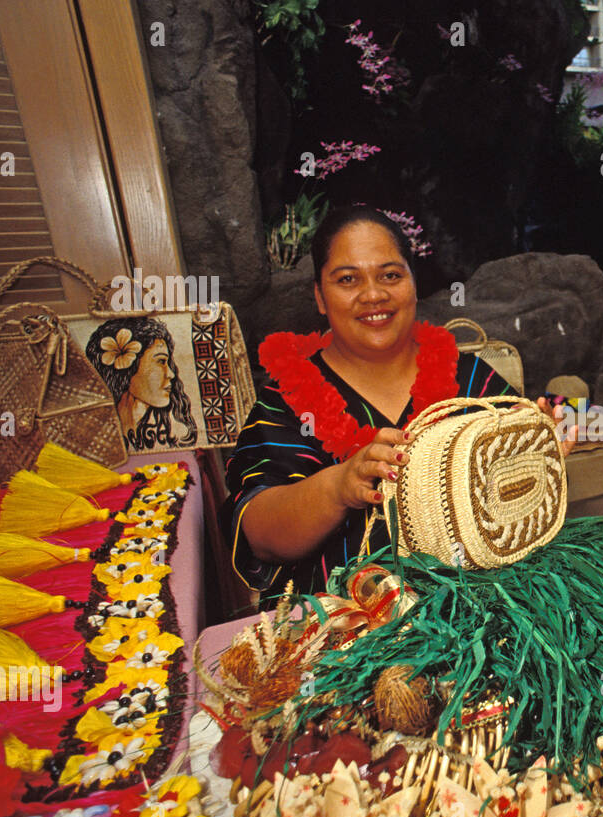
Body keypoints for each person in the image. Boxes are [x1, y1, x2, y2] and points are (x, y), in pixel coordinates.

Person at [221, 205, 571, 599]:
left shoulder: (470, 378)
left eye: (390, 275)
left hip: (489, 609)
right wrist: (339, 486)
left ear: (413, 284)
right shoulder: (284, 402)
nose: (373, 295)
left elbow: (518, 500)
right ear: (320, 297)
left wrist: (543, 450)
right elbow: (258, 536)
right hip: (349, 637)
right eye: (348, 279)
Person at [85, 318, 198, 450]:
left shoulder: (173, 434)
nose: (171, 374)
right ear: (127, 367)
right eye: (161, 361)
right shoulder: (97, 439)